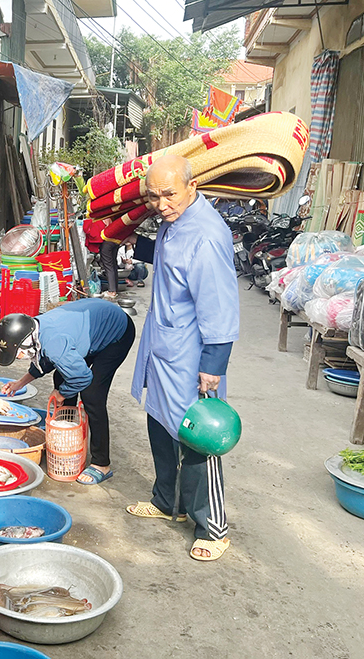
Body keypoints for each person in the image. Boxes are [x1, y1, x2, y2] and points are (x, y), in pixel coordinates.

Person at [127, 154, 239, 562]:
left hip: (192, 353)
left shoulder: (207, 234)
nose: (161, 204)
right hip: (164, 345)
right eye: (154, 196)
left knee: (197, 434)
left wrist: (214, 362)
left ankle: (212, 526)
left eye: (169, 194)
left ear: (192, 186)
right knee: (160, 422)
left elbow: (219, 305)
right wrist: (134, 243)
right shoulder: (175, 221)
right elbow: (172, 263)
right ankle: (166, 502)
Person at [0, 300, 136, 485]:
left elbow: (82, 377)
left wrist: (61, 394)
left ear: (25, 343)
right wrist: (20, 383)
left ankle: (102, 464)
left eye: (17, 354)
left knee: (92, 394)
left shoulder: (54, 342)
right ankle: (65, 434)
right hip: (89, 329)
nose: (18, 358)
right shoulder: (34, 328)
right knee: (61, 378)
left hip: (116, 333)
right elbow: (44, 360)